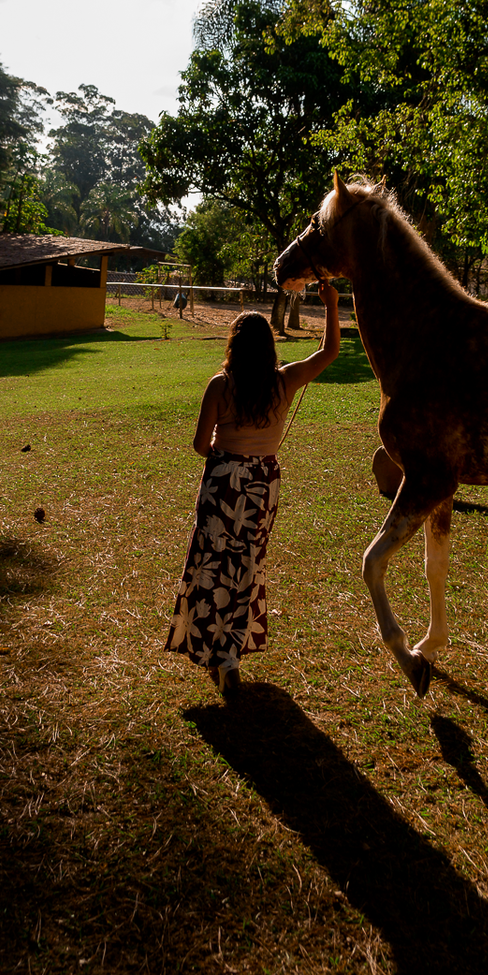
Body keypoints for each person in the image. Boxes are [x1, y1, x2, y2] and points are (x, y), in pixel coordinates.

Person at [165, 279, 341, 695]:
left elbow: (198, 445)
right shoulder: (284, 382)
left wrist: (222, 450)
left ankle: (211, 650)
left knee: (210, 565)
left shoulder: (220, 385)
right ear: (268, 348)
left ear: (233, 345)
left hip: (222, 481)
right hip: (262, 485)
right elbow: (329, 352)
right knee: (246, 565)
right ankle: (230, 654)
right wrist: (331, 304)